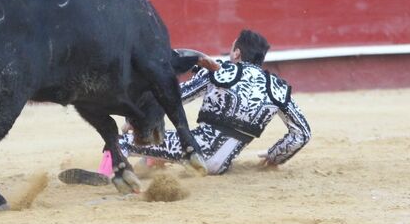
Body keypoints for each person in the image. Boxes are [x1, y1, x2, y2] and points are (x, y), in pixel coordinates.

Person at [114, 30, 311, 175]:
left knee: (119, 141)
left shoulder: (220, 71)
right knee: (165, 146)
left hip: (196, 151)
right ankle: (151, 164)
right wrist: (275, 156)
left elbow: (171, 96)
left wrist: (136, 120)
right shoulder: (277, 88)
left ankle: (107, 177)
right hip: (222, 165)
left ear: (237, 54)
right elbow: (302, 133)